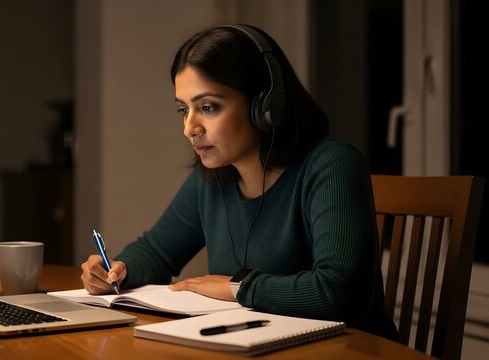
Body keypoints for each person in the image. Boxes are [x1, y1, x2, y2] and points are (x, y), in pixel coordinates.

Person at [80, 24, 398, 341]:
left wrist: (238, 286)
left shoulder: (331, 164)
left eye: (208, 107)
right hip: (256, 346)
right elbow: (156, 251)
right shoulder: (210, 179)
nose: (189, 128)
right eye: (183, 110)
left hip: (349, 350)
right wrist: (117, 270)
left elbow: (337, 291)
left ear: (266, 105)